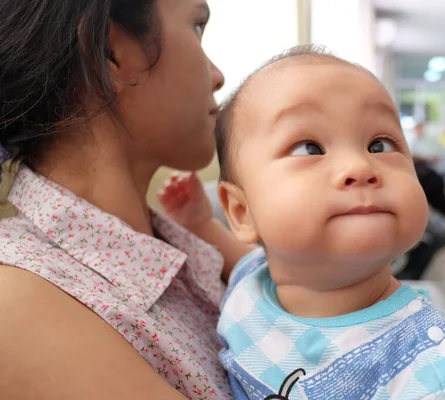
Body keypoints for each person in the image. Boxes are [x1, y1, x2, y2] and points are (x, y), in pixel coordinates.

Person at [161, 46, 445, 399]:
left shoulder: (434, 380)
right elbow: (240, 259)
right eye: (309, 148)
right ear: (241, 212)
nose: (360, 168)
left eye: (379, 145)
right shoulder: (256, 283)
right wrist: (200, 222)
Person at [0, 1, 256, 398]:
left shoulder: (183, 255)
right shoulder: (17, 303)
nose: (219, 76)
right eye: (197, 27)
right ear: (110, 53)